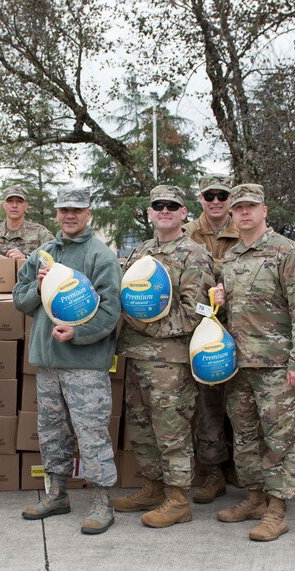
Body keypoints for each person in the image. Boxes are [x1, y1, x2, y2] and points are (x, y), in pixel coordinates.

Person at [210, 184, 295, 542]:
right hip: (239, 364)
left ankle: (277, 509)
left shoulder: (286, 252)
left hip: (277, 366)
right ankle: (254, 498)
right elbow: (232, 313)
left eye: (250, 207)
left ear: (264, 210)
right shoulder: (232, 257)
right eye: (238, 207)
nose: (243, 213)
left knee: (280, 440)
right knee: (244, 438)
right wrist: (218, 301)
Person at [14, 188, 122, 534]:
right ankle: (57, 495)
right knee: (51, 433)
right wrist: (37, 287)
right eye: (64, 210)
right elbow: (20, 299)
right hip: (48, 363)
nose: (69, 215)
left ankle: (103, 501)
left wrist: (78, 333)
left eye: (76, 209)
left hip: (85, 364)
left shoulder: (100, 256)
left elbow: (110, 312)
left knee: (91, 434)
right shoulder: (43, 254)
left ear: (88, 212)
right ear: (57, 213)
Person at [112, 185, 215, 527]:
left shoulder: (194, 255)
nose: (165, 210)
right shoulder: (142, 251)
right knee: (141, 428)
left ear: (184, 212)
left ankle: (178, 499)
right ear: (150, 212)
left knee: (171, 430)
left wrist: (144, 328)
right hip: (137, 357)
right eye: (158, 205)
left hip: (170, 361)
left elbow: (196, 311)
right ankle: (153, 486)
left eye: (172, 205)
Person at [182, 174, 242, 503]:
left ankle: (239, 467)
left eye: (222, 195)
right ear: (201, 199)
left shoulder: (245, 232)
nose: (216, 201)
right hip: (202, 327)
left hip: (242, 327)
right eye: (210, 195)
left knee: (241, 401)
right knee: (208, 404)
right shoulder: (188, 234)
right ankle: (214, 471)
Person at [0, 184, 55, 259]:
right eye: (10, 201)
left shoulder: (39, 232)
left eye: (19, 202)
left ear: (26, 206)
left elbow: (55, 252)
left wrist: (27, 257)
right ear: (4, 205)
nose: (14, 205)